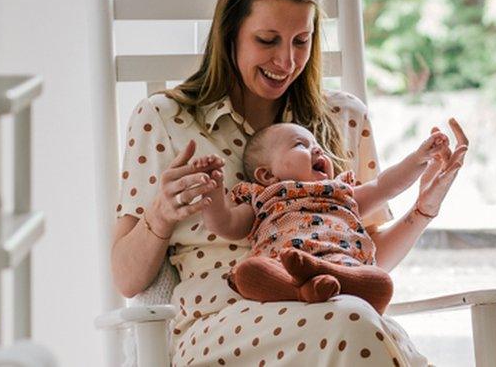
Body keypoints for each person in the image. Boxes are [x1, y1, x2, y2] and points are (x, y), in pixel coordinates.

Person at [110, 0, 469, 366]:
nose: (286, 61)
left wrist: (423, 208)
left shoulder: (344, 118)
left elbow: (367, 262)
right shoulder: (165, 119)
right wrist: (160, 214)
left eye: (302, 40)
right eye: (267, 40)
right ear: (230, 35)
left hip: (343, 313)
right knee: (353, 323)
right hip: (224, 326)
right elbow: (126, 278)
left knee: (351, 319)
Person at [196, 122, 460, 314]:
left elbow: (384, 186)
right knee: (247, 273)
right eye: (301, 145)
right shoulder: (265, 198)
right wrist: (213, 192)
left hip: (344, 268)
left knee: (380, 283)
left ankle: (322, 275)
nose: (317, 151)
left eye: (317, 146)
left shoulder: (341, 193)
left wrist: (419, 158)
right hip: (284, 270)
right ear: (267, 175)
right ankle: (301, 289)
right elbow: (225, 225)